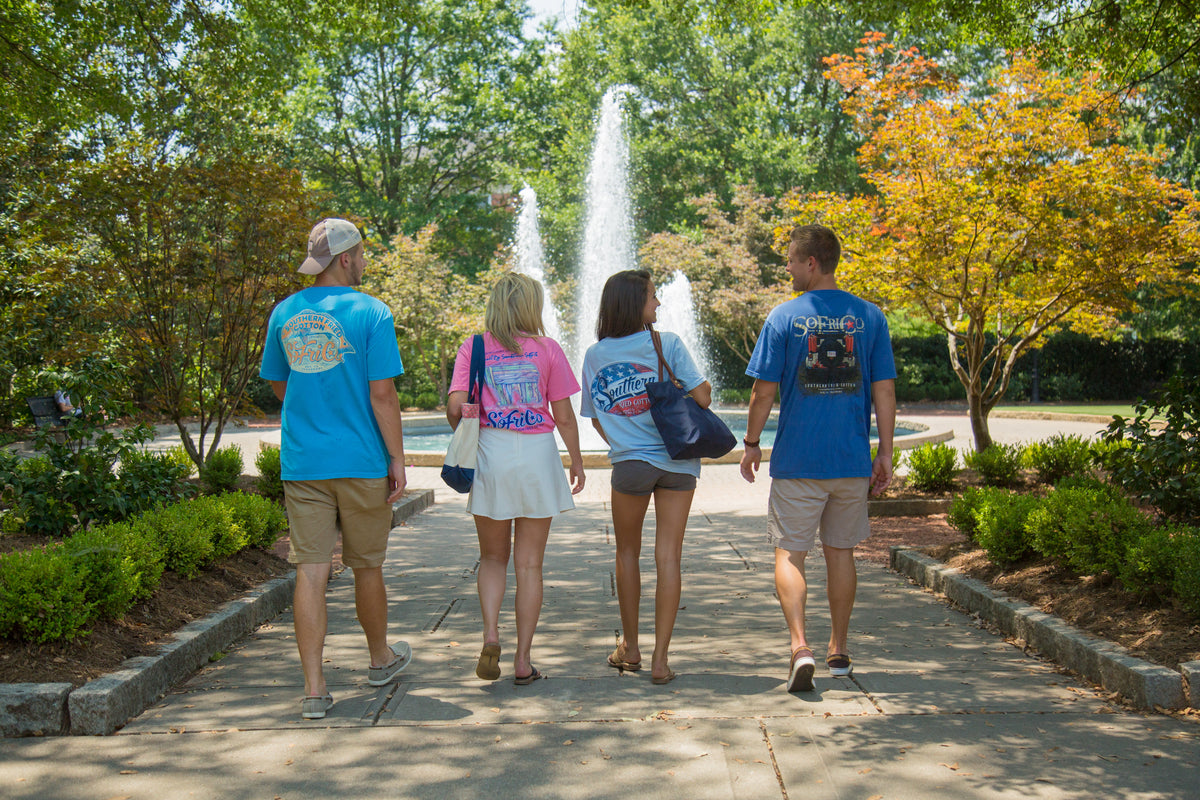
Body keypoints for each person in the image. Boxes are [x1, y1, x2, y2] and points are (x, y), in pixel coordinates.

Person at [260, 217, 411, 720]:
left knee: (312, 570)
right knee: (367, 565)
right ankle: (378, 660)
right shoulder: (372, 312)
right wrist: (397, 459)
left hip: (304, 462)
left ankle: (314, 690)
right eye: (362, 254)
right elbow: (383, 395)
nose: (364, 262)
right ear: (346, 258)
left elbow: (280, 388)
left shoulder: (284, 312)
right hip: (362, 461)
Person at [739, 224, 896, 693]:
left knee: (790, 552)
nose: (786, 267)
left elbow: (762, 391)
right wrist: (884, 451)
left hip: (798, 461)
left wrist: (750, 443)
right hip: (850, 460)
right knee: (841, 553)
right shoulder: (870, 317)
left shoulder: (784, 318)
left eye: (790, 260)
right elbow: (884, 390)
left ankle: (799, 646)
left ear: (811, 263)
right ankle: (839, 649)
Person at [447, 271, 585, 686]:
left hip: (492, 452)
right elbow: (563, 415)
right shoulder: (548, 349)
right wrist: (576, 460)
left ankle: (491, 633)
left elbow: (456, 407)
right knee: (530, 565)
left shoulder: (473, 348)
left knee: (492, 558)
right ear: (531, 306)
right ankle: (523, 660)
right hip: (538, 456)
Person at [580, 269, 713, 686]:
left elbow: (596, 417)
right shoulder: (666, 343)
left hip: (630, 466)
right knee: (668, 557)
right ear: (633, 303)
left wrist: (625, 437)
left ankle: (631, 648)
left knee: (626, 554)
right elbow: (704, 397)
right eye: (653, 297)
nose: (658, 304)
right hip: (677, 462)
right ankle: (660, 660)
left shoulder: (594, 355)